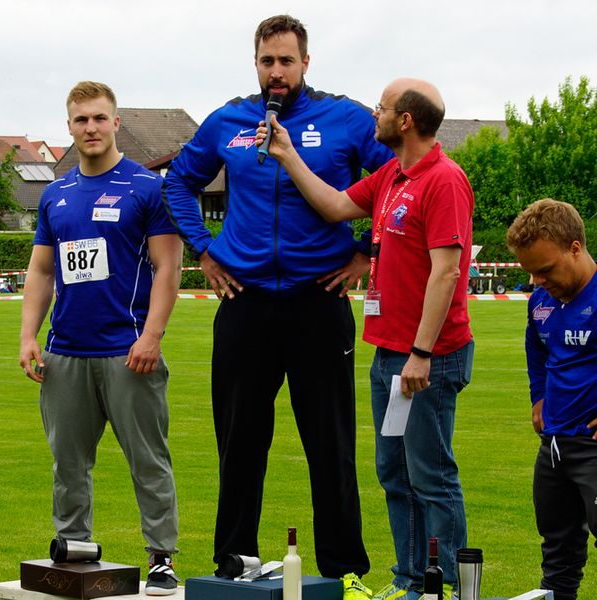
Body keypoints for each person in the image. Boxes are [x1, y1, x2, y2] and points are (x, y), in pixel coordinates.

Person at [162, 14, 392, 597]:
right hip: (246, 303)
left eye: (287, 61)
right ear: (256, 63)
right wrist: (207, 252)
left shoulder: (344, 118)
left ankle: (344, 572)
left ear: (306, 63)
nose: (276, 72)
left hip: (320, 300)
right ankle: (233, 561)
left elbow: (396, 177)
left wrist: (367, 252)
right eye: (267, 61)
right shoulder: (229, 120)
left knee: (331, 443)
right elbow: (178, 184)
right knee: (238, 440)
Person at [256, 77, 475, 600]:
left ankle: (440, 586)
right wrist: (287, 155)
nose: (373, 114)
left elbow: (447, 272)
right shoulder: (391, 177)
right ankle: (408, 580)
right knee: (395, 473)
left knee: (432, 476)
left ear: (405, 121)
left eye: (382, 107)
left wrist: (421, 353)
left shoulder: (443, 180)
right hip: (388, 354)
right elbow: (333, 205)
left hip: (427, 358)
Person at [19, 81, 183, 595]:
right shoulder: (55, 193)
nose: (90, 128)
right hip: (65, 353)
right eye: (80, 120)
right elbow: (41, 271)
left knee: (148, 461)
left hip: (128, 351)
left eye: (98, 118)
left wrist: (152, 336)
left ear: (115, 122)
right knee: (68, 465)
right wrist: (29, 336)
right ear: (69, 126)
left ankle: (160, 558)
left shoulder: (148, 188)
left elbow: (168, 265)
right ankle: (75, 552)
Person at [506, 198, 597, 600]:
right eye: (530, 273)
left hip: (592, 446)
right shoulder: (539, 304)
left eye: (545, 270)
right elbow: (537, 353)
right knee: (557, 555)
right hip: (554, 446)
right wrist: (538, 397)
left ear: (575, 248)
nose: (538, 281)